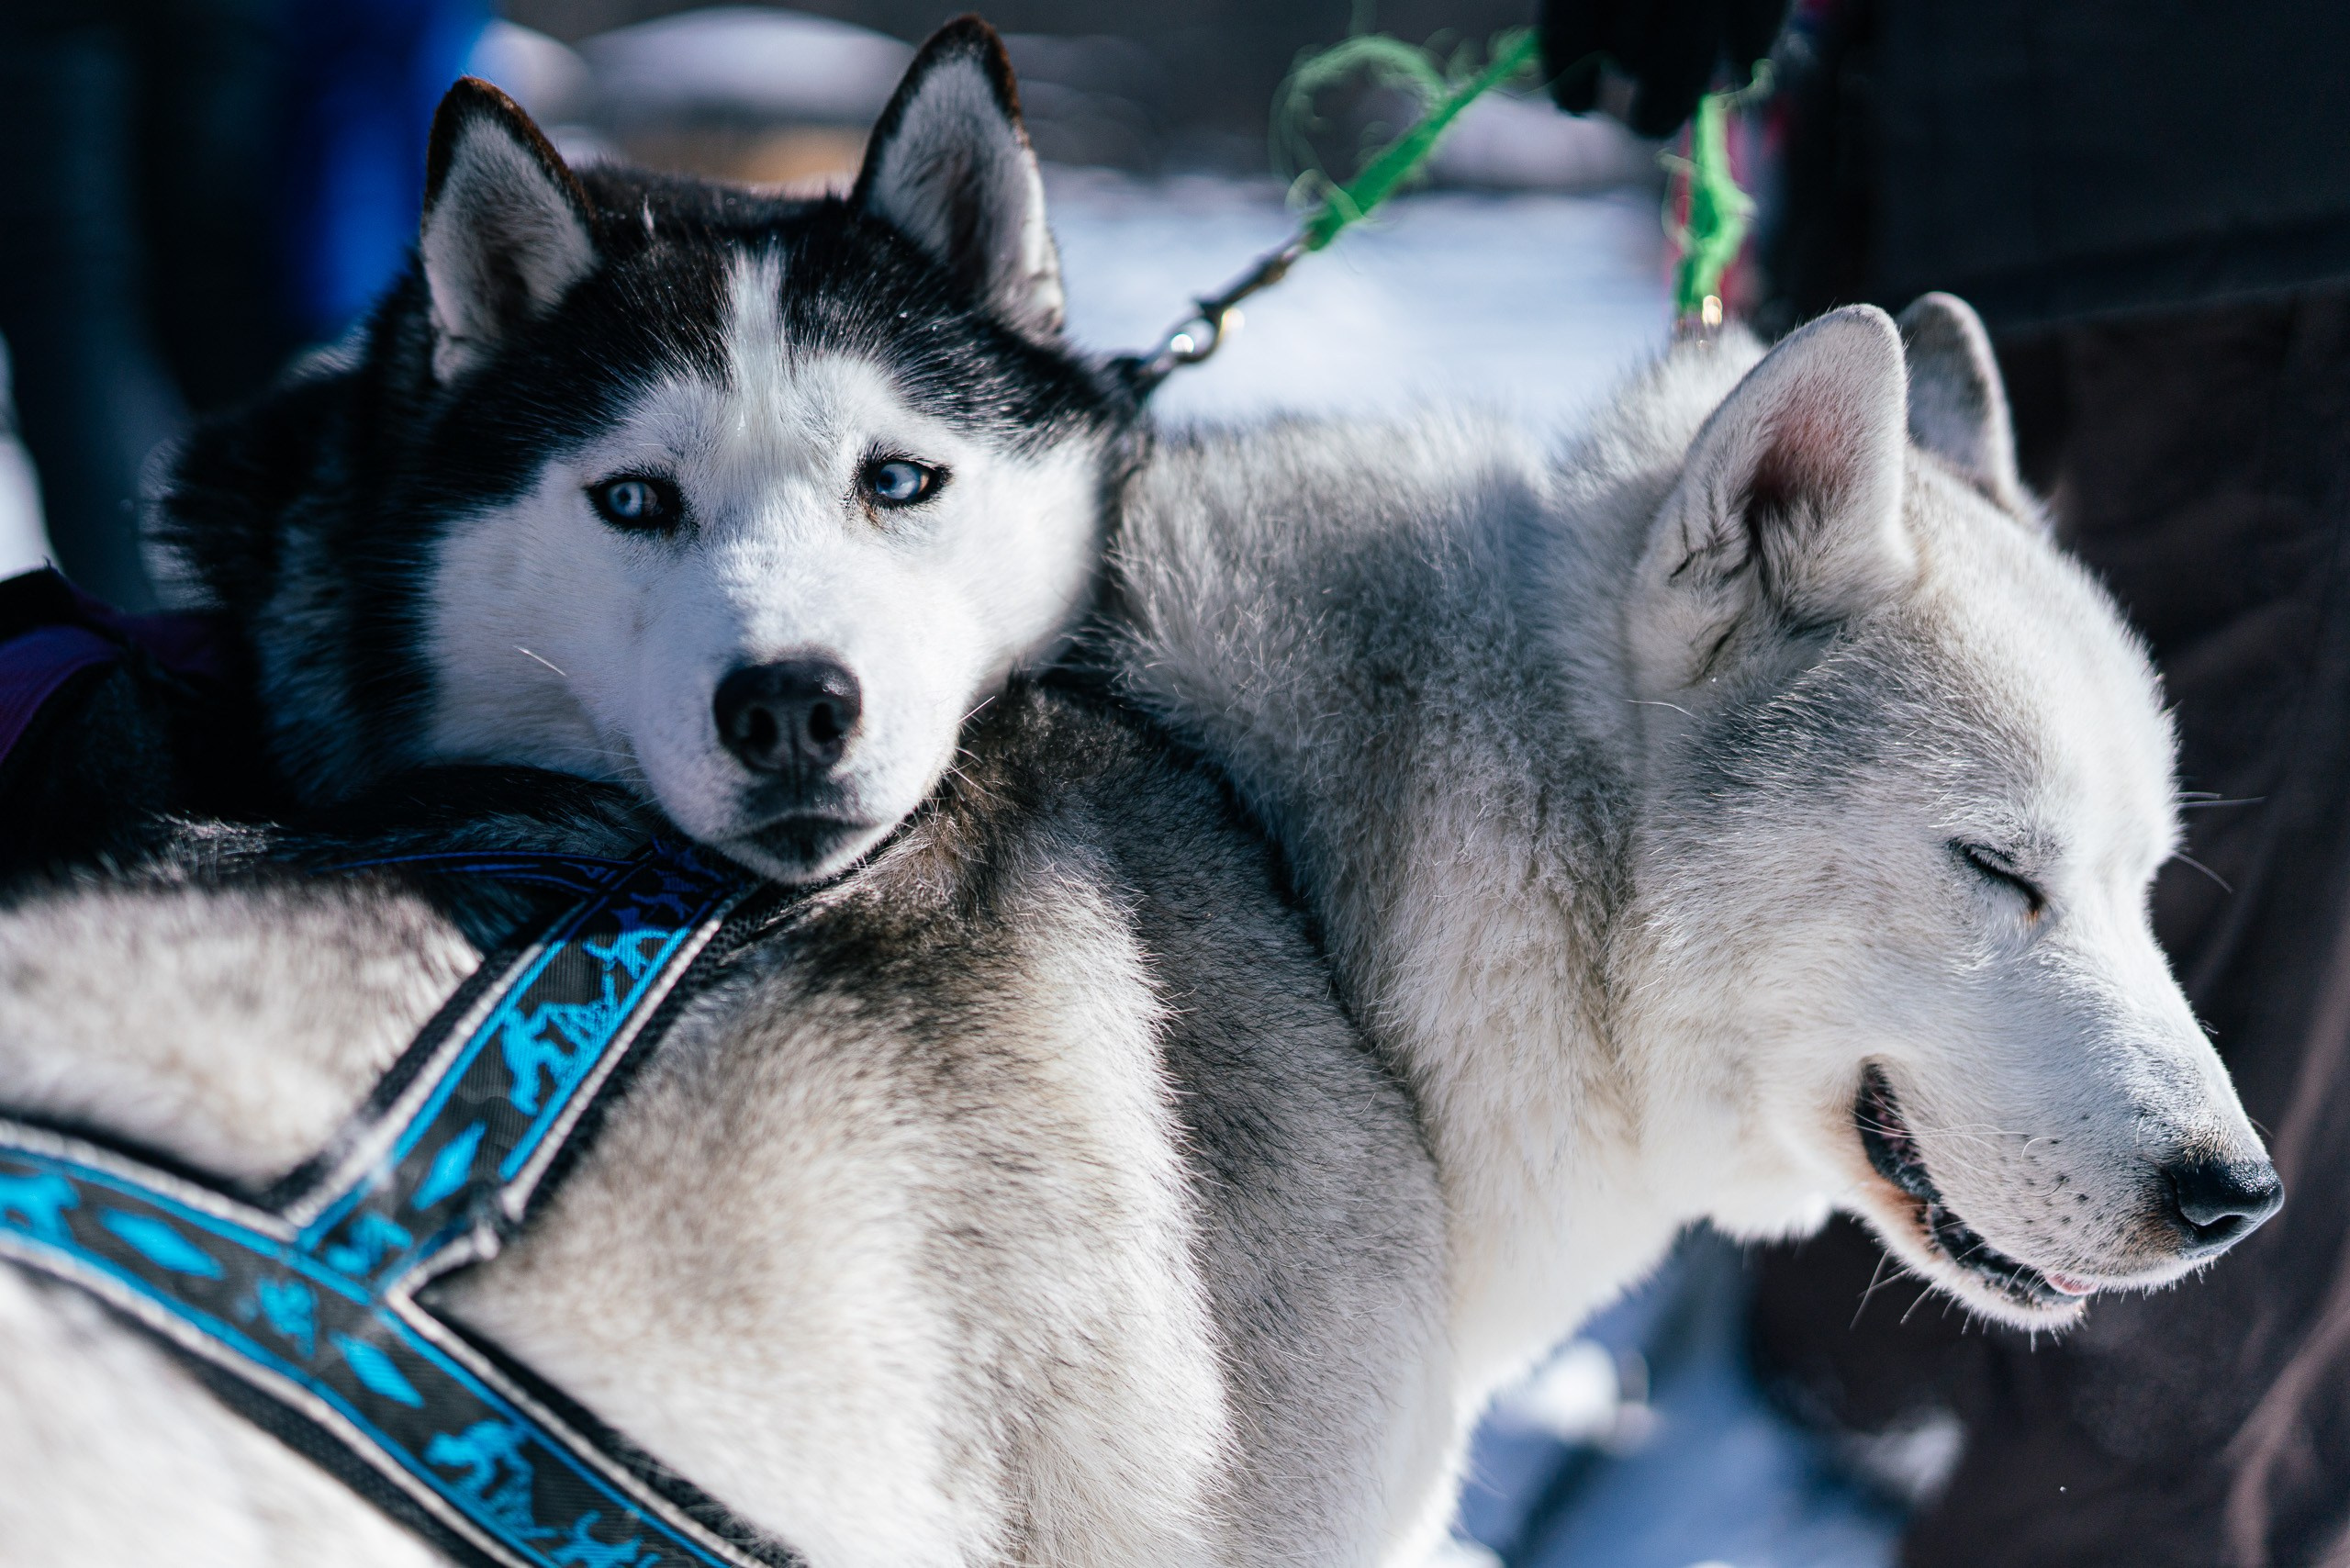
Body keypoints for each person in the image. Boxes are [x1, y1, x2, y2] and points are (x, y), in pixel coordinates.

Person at [1540, 2, 2350, 1562]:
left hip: (2008, 169)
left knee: (2083, 1032)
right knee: (2184, 1267)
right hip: (2193, 207)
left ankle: (1798, 1461)